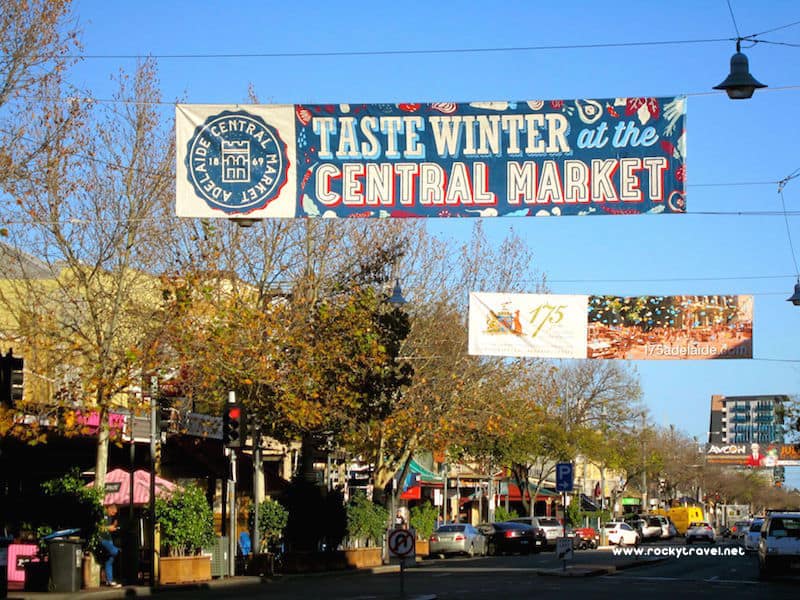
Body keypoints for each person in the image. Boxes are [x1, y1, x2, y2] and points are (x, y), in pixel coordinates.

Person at [100, 504, 122, 588]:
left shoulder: (110, 517)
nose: (113, 514)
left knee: (110, 560)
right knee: (115, 551)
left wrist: (114, 526)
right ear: (109, 509)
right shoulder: (102, 515)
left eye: (115, 513)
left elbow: (109, 528)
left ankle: (109, 580)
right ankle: (118, 550)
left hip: (109, 538)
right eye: (113, 512)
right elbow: (100, 527)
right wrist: (109, 528)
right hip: (102, 539)